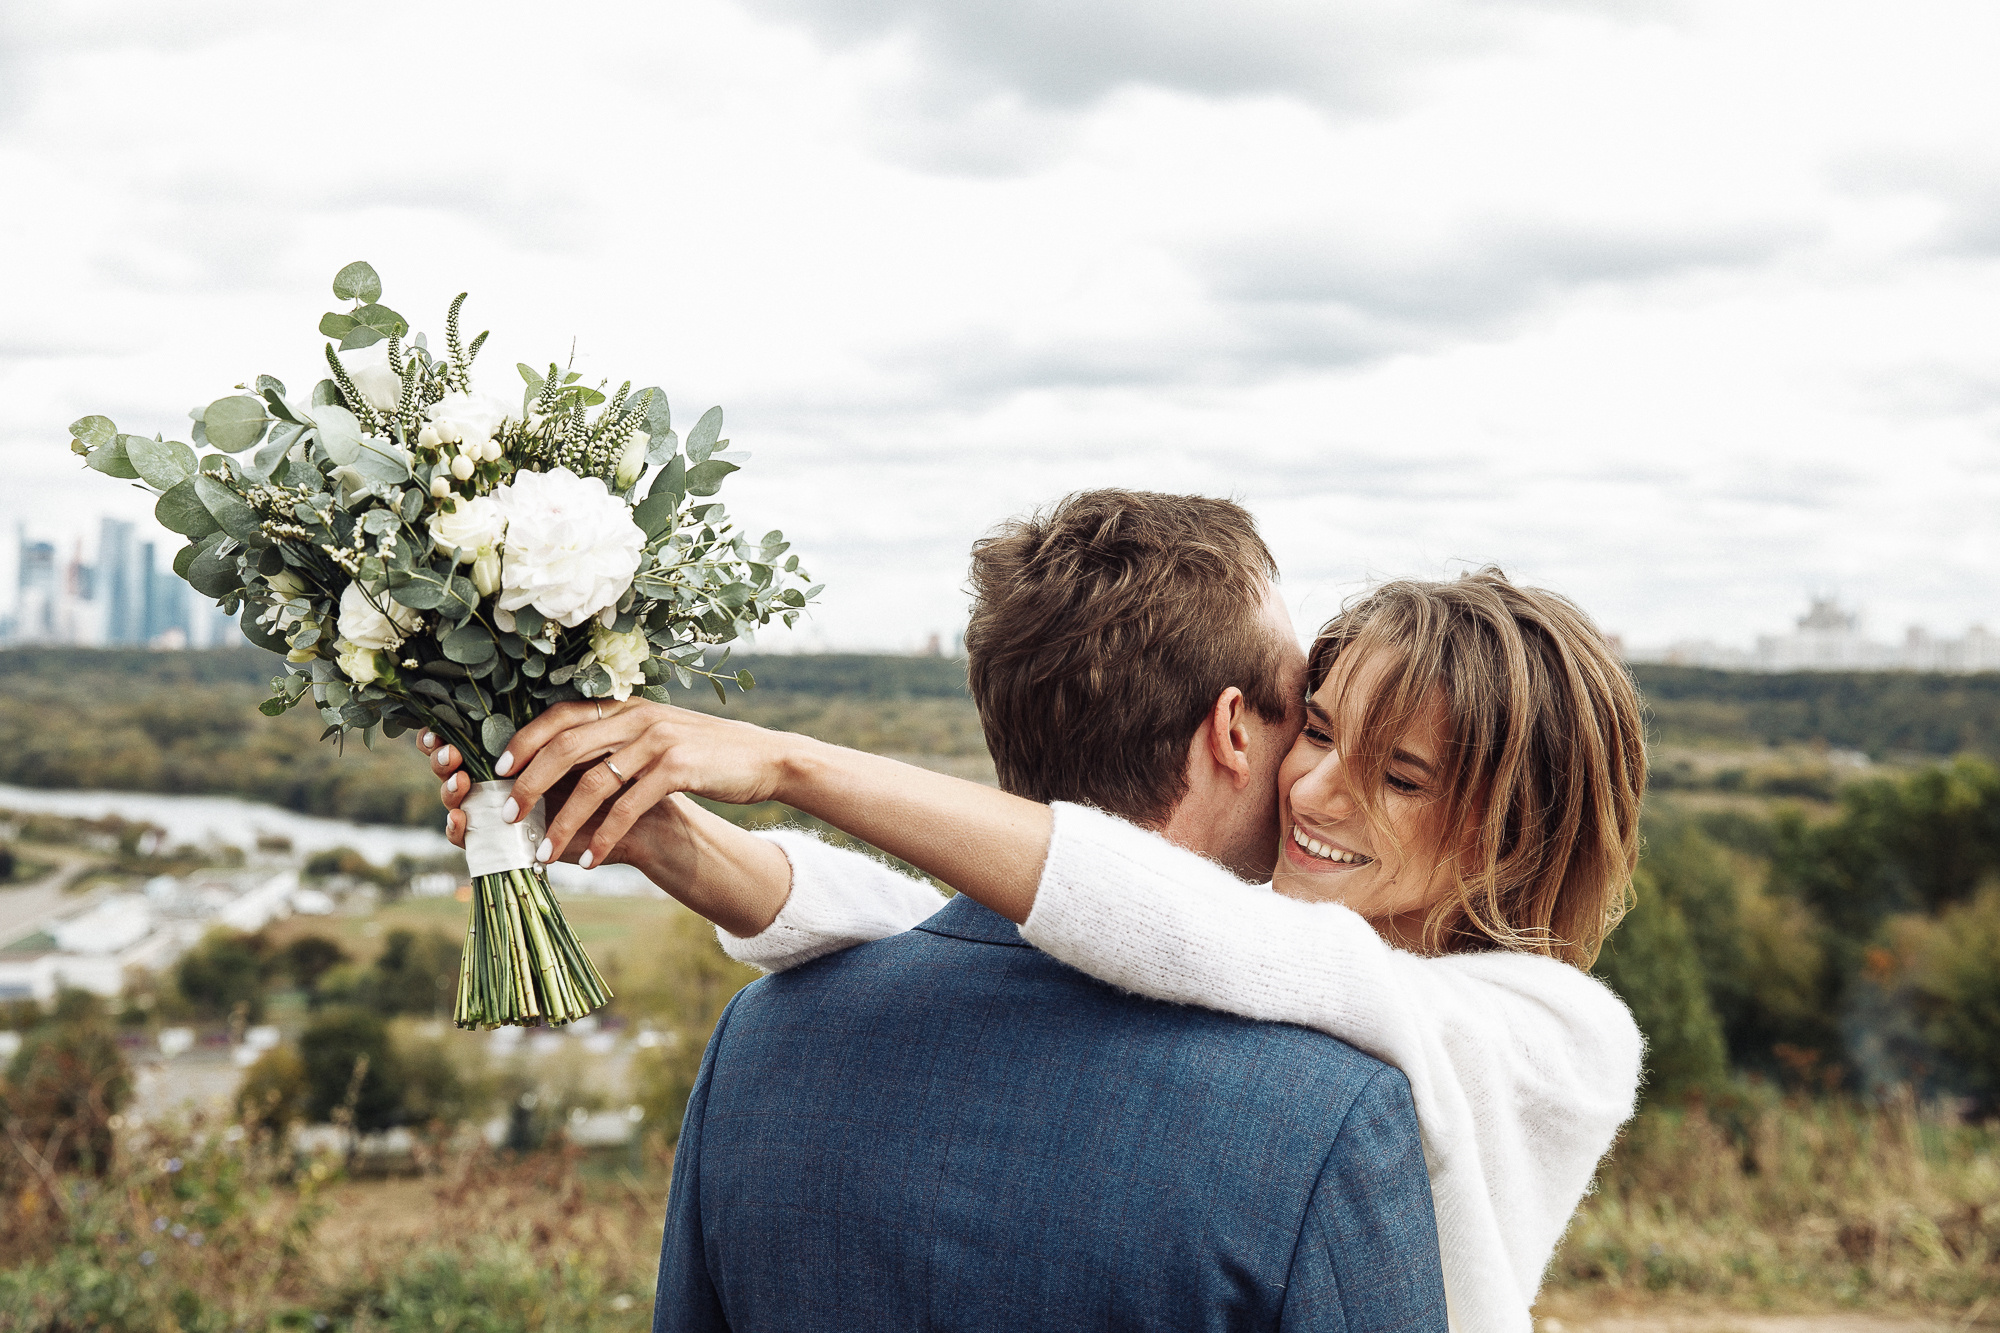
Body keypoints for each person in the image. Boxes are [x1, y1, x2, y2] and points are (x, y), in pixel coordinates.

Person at [430, 491, 1451, 1331]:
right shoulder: (1328, 1115)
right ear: (1232, 728)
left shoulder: (762, 1040)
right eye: (1301, 706)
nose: (1316, 767)